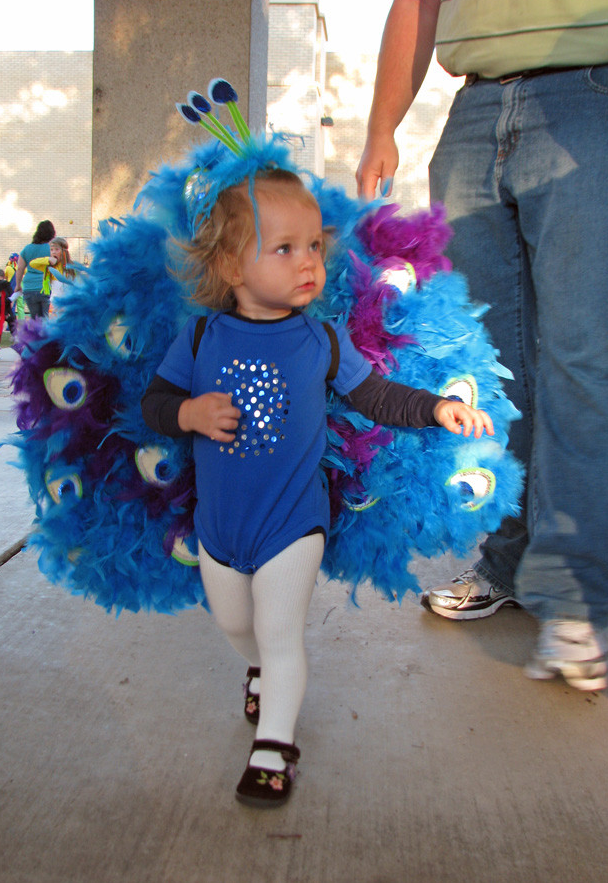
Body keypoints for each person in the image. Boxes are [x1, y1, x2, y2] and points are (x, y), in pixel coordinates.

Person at [141, 167, 494, 807]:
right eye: (284, 249)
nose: (307, 263)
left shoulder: (320, 340)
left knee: (280, 634)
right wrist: (188, 414)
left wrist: (437, 406)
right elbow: (156, 402)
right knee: (233, 621)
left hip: (291, 525)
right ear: (229, 266)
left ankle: (275, 747)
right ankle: (257, 671)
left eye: (313, 247)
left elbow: (376, 394)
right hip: (219, 527)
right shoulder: (199, 337)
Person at [356, 0, 608, 691]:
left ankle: (570, 598)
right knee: (489, 367)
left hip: (595, 96)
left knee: (582, 357)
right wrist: (382, 128)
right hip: (472, 112)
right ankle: (509, 560)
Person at [14, 220, 55, 318]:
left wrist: (18, 285)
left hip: (29, 287)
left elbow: (20, 268)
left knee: (35, 318)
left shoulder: (27, 249)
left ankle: (35, 333)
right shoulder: (51, 249)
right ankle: (46, 333)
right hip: (45, 286)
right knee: (45, 317)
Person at [29, 236, 75, 306]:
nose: (54, 252)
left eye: (57, 249)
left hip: (69, 304)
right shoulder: (49, 267)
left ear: (64, 251)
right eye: (51, 250)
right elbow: (32, 263)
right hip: (54, 303)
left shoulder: (72, 266)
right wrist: (48, 260)